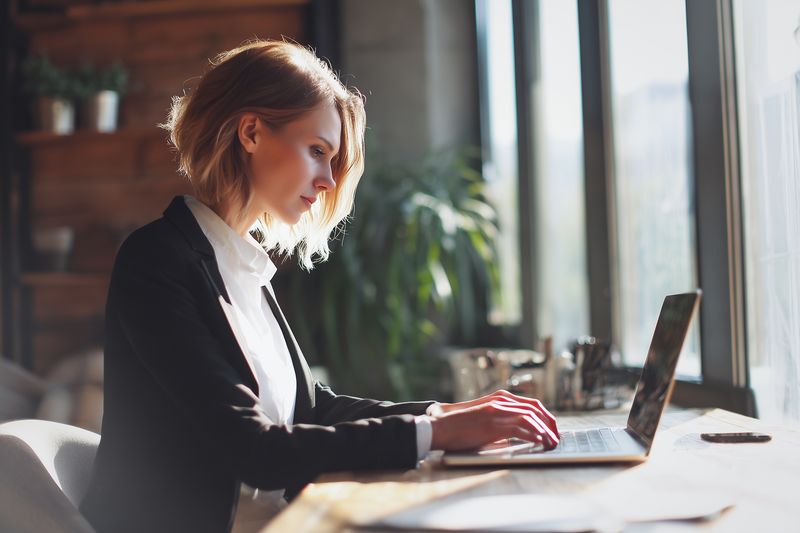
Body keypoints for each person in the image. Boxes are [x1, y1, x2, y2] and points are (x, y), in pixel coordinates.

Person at [78, 39, 559, 533]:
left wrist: (447, 414)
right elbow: (255, 450)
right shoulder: (157, 261)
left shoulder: (241, 267)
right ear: (250, 132)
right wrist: (433, 432)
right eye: (317, 151)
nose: (329, 180)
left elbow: (314, 407)